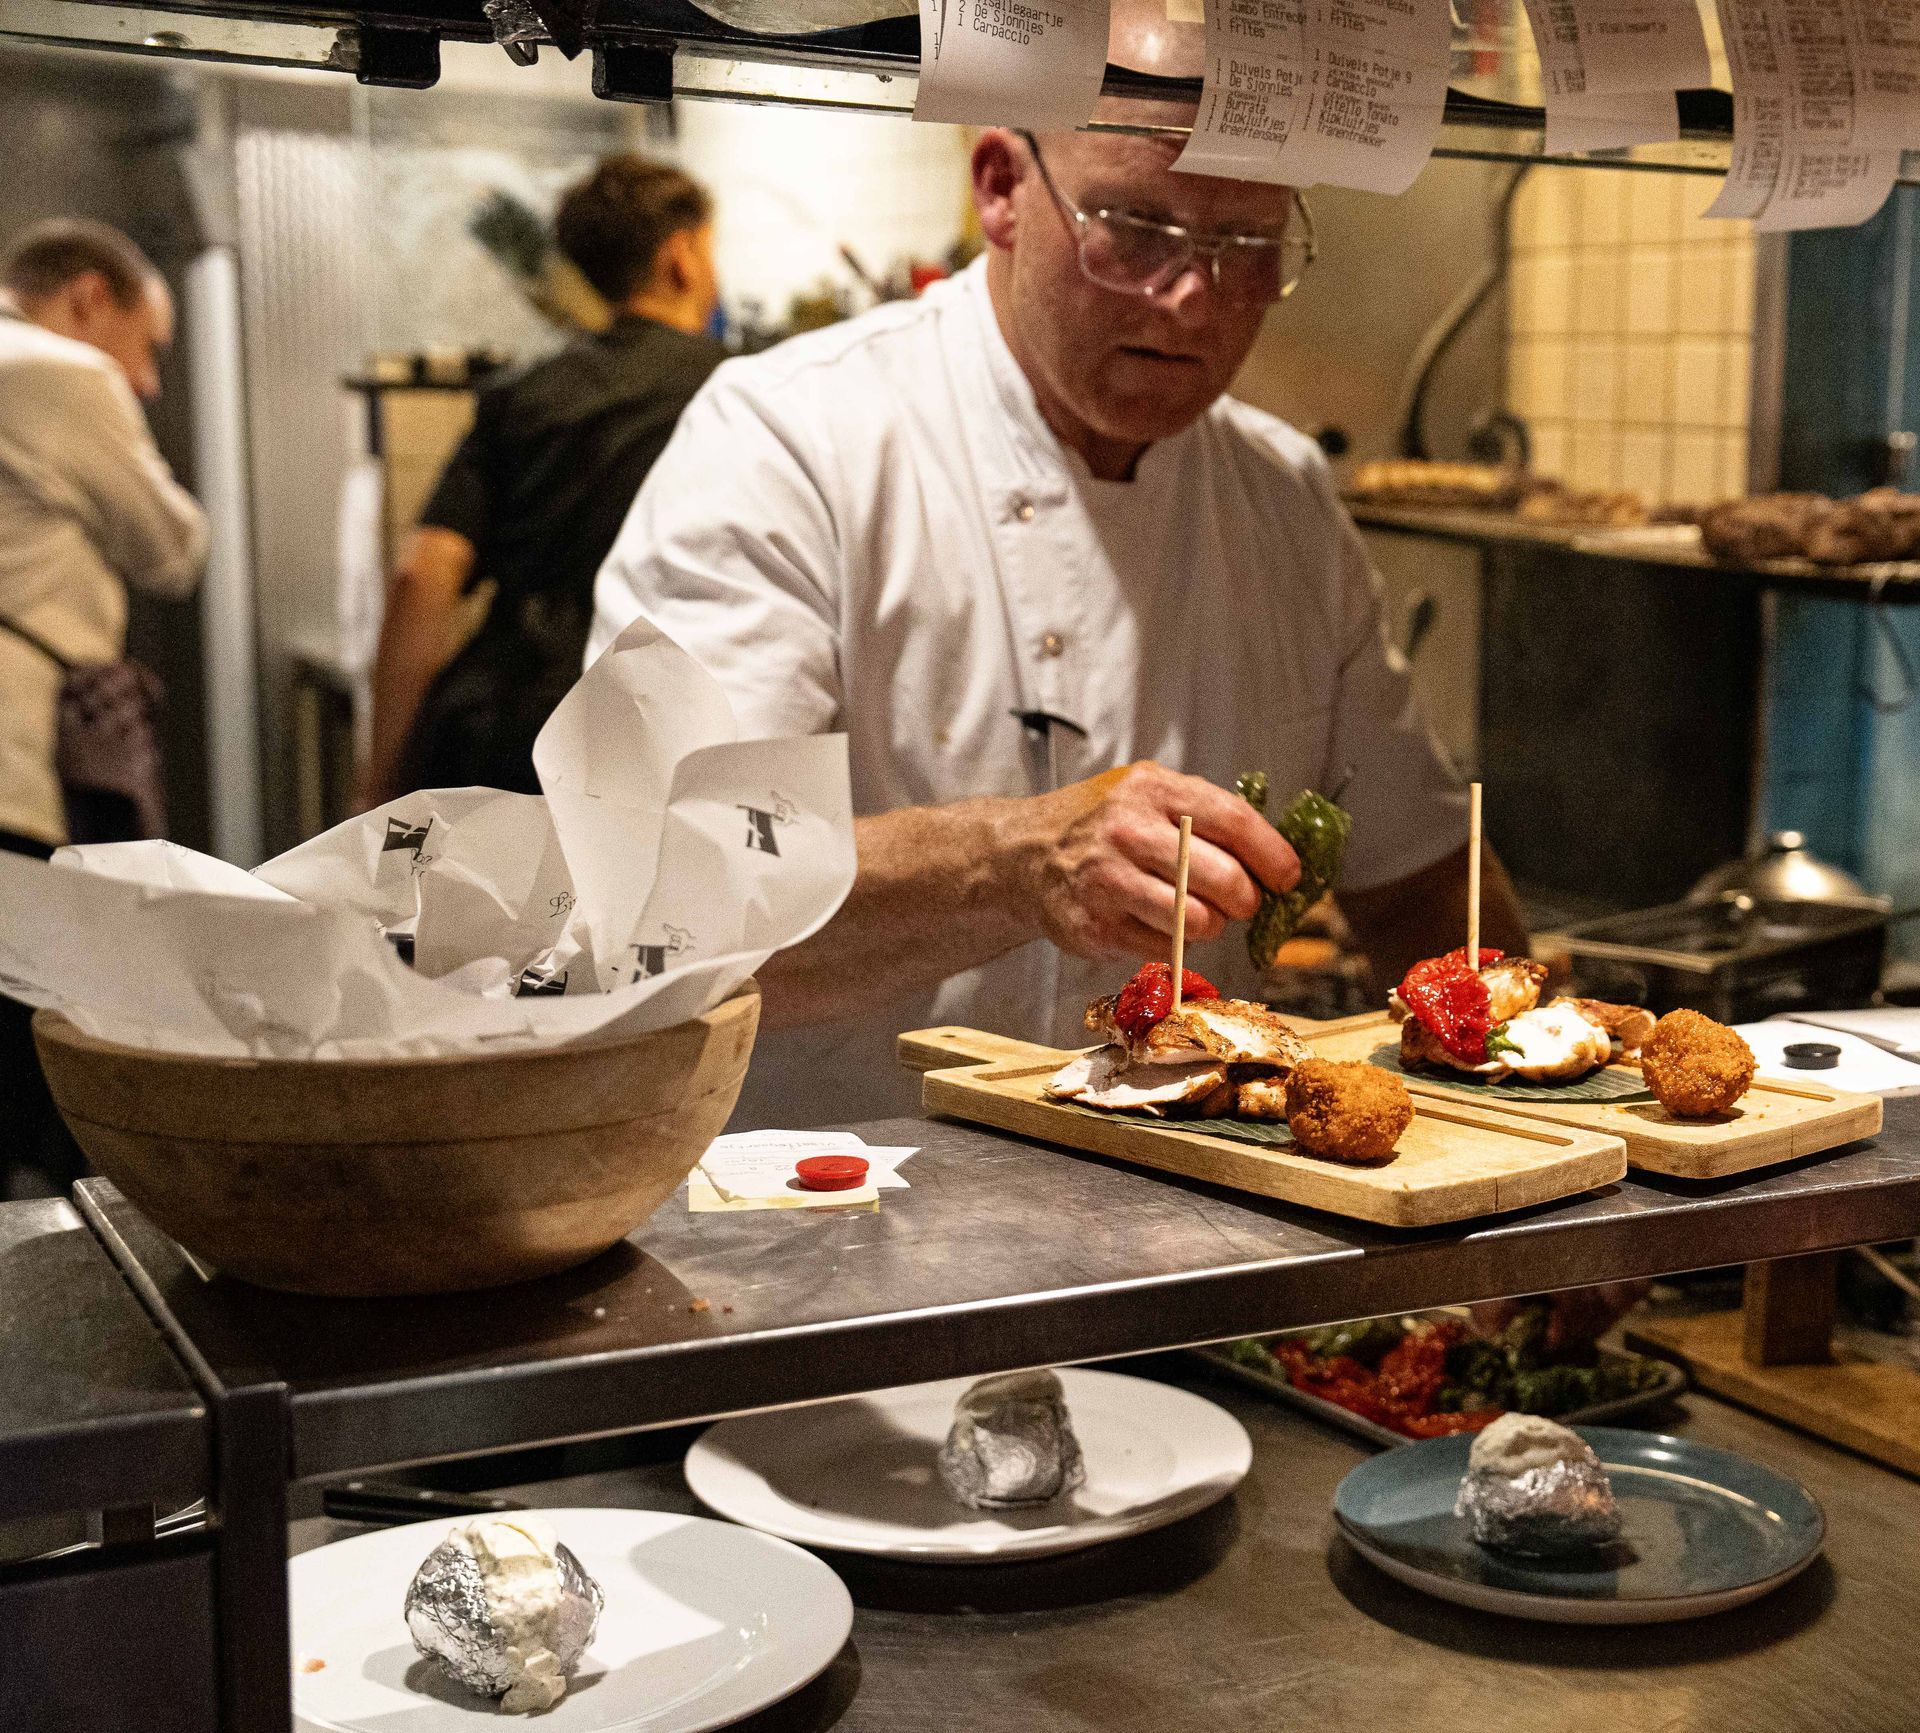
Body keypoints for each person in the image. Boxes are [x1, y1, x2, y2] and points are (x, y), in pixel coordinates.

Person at [591, 125, 1529, 1129]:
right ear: (1000, 187)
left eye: (1246, 244)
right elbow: (672, 898)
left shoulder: (1282, 495)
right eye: (1136, 228)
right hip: (811, 1212)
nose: (1193, 296)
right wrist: (1013, 860)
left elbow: (1420, 878)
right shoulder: (787, 441)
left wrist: (1550, 1129)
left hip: (1181, 1214)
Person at [357, 155, 726, 808]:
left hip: (498, 730)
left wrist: (382, 776)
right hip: (650, 741)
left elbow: (424, 572)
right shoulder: (738, 395)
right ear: (682, 258)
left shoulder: (522, 396)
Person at [0, 218, 207, 1194]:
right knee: (49, 1073)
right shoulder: (54, 370)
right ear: (90, 298)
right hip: (15, 775)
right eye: (148, 348)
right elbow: (173, 546)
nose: (149, 383)